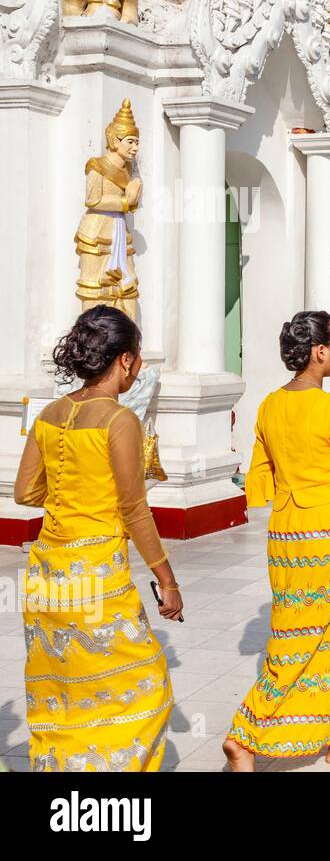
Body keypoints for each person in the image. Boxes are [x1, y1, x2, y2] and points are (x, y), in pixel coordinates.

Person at [15, 307, 182, 772]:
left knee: (64, 688)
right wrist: (166, 579)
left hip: (47, 571)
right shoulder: (118, 420)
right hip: (96, 575)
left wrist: (72, 494)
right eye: (139, 358)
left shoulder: (49, 411)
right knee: (146, 686)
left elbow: (25, 492)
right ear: (124, 361)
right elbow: (133, 509)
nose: (140, 367)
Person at [225, 312, 330, 770]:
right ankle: (247, 732)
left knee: (295, 631)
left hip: (285, 531)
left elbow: (260, 473)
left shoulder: (269, 405)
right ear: (320, 352)